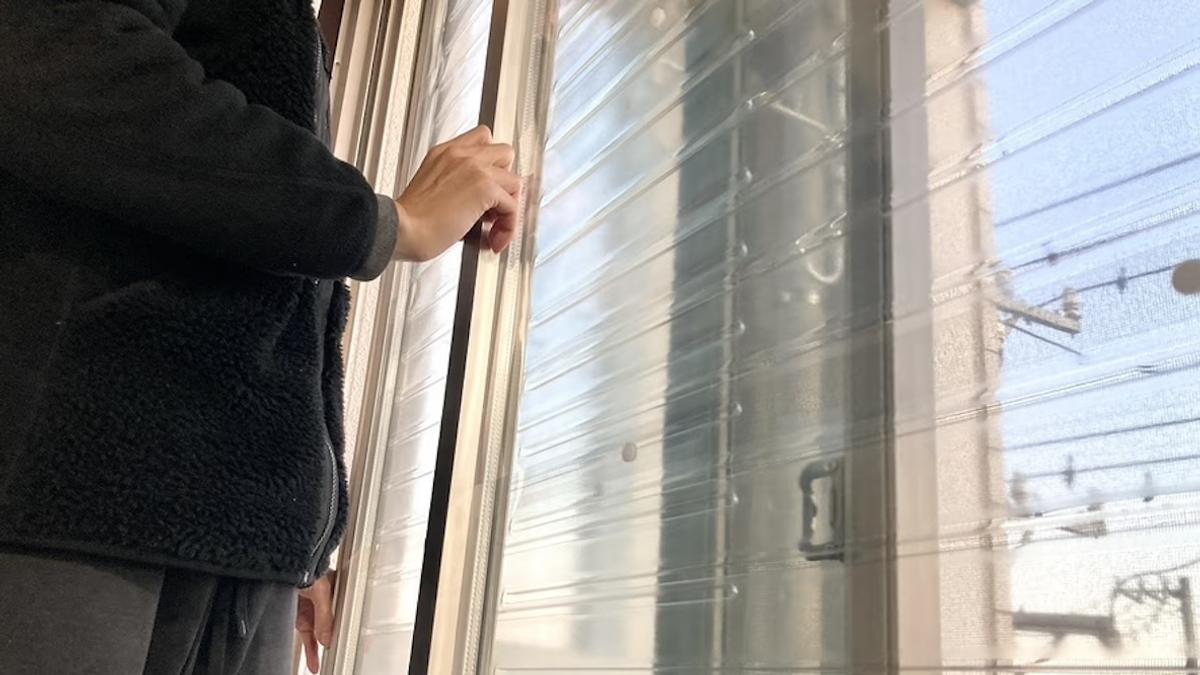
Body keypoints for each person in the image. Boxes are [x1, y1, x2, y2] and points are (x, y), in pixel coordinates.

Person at [0, 1, 518, 673]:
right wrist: (385, 223)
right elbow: (60, 61)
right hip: (78, 507)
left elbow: (267, 293)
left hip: (231, 539)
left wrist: (293, 532)